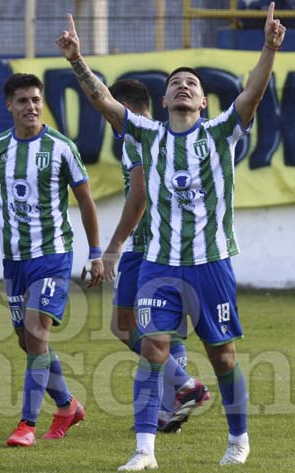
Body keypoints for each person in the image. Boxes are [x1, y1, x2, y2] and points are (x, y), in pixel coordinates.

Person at [57, 1, 285, 468]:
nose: (183, 86)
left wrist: (268, 48)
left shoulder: (221, 133)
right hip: (159, 264)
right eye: (175, 83)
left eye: (192, 84)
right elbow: (103, 100)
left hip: (211, 263)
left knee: (223, 358)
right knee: (153, 350)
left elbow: (253, 95)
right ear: (163, 102)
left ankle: (239, 440)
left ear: (203, 102)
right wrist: (77, 60)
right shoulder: (146, 135)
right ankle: (145, 451)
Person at [0, 73, 103, 447]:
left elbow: (86, 200)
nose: (32, 107)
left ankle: (26, 424)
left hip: (53, 255)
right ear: (9, 105)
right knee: (27, 340)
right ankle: (67, 405)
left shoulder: (61, 147)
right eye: (24, 100)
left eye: (36, 100)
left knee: (36, 331)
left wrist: (95, 253)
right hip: (14, 259)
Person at [105, 79, 209, 434]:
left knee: (123, 326)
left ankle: (184, 385)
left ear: (123, 108)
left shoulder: (137, 137)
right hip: (176, 247)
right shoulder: (170, 133)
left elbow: (139, 197)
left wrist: (114, 245)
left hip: (145, 246)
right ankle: (172, 408)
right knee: (166, 330)